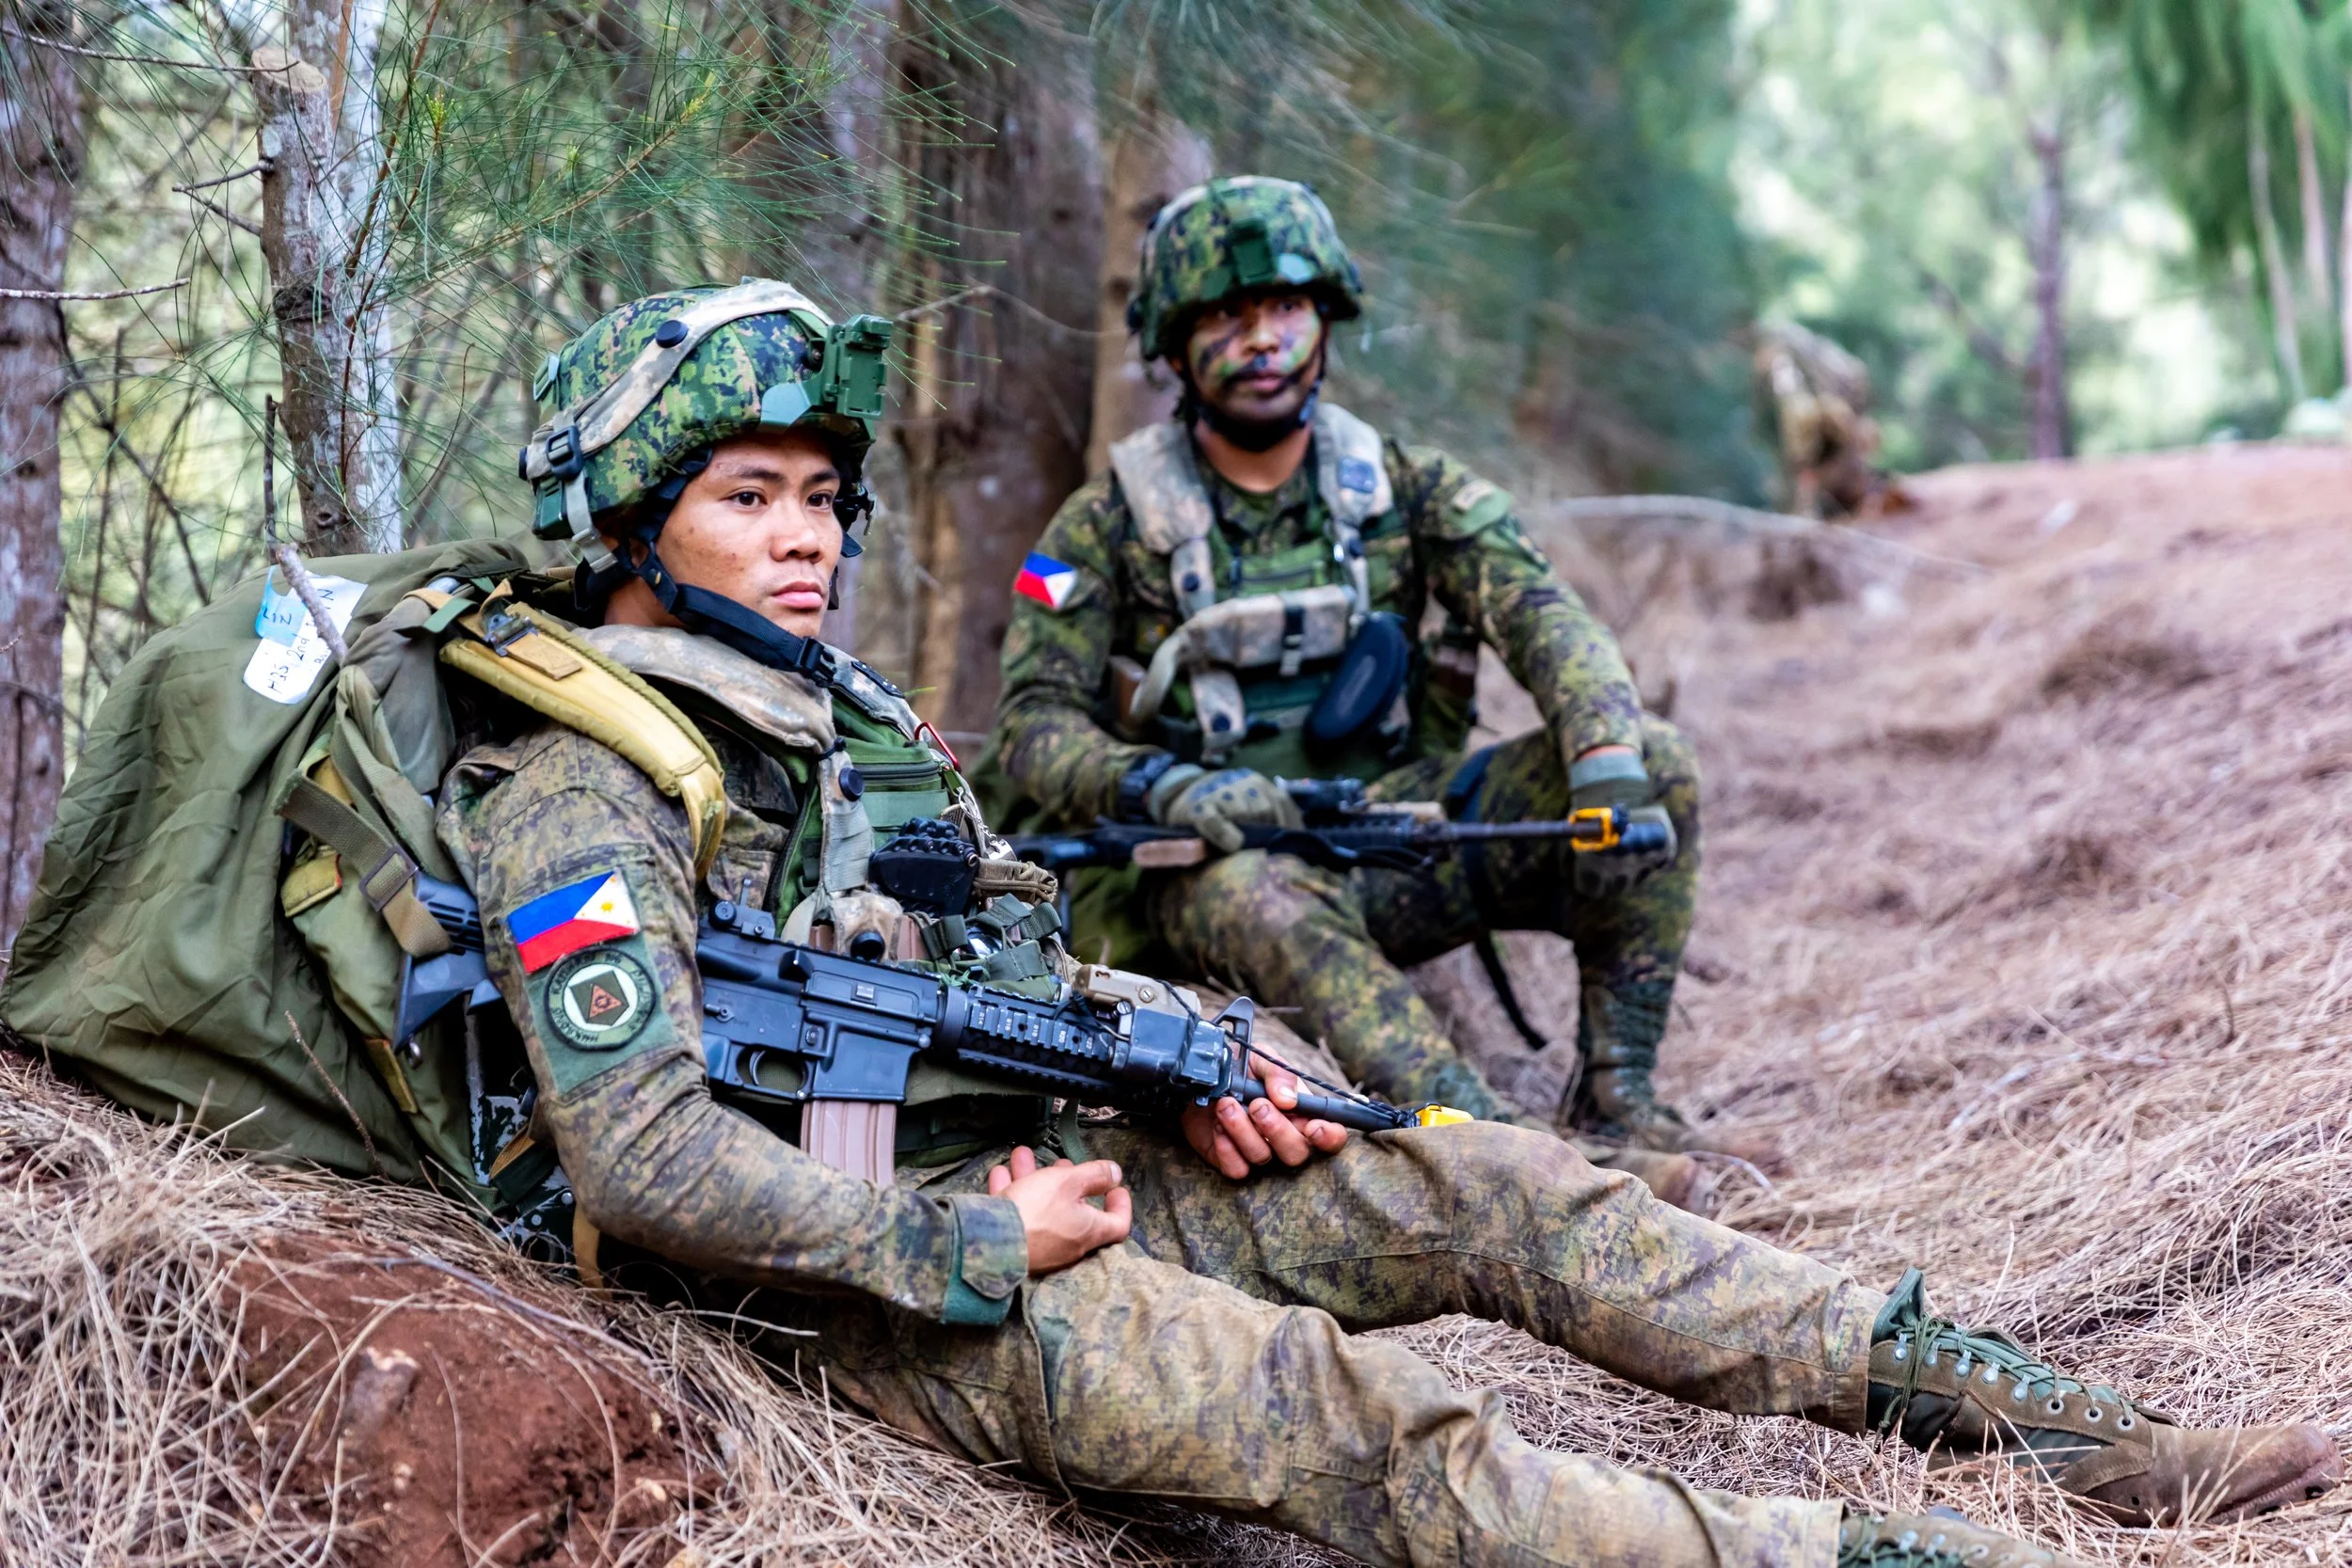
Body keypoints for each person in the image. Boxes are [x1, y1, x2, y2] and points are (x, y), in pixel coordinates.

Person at [15, 284, 2337, 1568]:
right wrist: (971, 1249)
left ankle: (2048, 1423)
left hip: (1013, 1160)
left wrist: (1179, 1059)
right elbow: (637, 1165)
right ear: (638, 525)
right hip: (851, 1284)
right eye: (750, 499)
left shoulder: (810, 718)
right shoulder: (572, 784)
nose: (810, 537)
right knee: (1359, 1427)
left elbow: (990, 945)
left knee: (1483, 1180)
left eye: (824, 496)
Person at [982, 176, 1757, 1199]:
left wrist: (1607, 761)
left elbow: (1547, 617)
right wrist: (1166, 786)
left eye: (1285, 308)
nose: (1261, 340)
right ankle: (1516, 1158)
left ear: (1326, 319)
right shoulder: (1099, 527)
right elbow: (1031, 726)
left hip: (1395, 838)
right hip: (1203, 878)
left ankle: (1620, 1101)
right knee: (1256, 890)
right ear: (1172, 344)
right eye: (1225, 314)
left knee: (1657, 763)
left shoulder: (1405, 489)